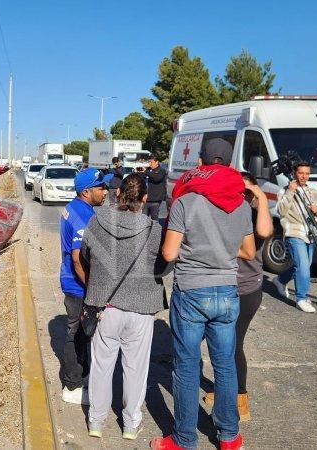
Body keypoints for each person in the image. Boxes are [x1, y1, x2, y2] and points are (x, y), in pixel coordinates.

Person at [150, 138, 256, 450]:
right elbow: (249, 250)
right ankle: (229, 436)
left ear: (201, 163)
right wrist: (221, 250)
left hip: (192, 292)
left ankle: (184, 439)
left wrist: (193, 248)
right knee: (225, 365)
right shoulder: (241, 204)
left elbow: (169, 253)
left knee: (186, 366)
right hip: (227, 291)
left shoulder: (185, 202)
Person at [79, 173, 166, 440]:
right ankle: (131, 424)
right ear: (145, 198)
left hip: (105, 305)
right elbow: (164, 266)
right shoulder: (154, 230)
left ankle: (96, 421)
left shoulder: (96, 221)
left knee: (101, 366)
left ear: (118, 194)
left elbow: (85, 256)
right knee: (135, 370)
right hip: (140, 308)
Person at [203, 172, 273, 422]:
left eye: (245, 191)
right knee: (220, 343)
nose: (240, 195)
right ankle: (225, 389)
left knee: (233, 344)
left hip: (246, 289)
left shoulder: (256, 215)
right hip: (223, 285)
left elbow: (265, 230)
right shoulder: (226, 212)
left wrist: (261, 197)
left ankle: (240, 398)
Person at [59, 168, 112, 404]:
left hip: (72, 282)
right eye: (101, 187)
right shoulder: (84, 217)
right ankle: (73, 386)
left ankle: (80, 377)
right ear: (86, 191)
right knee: (78, 334)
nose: (105, 191)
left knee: (80, 333)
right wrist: (93, 288)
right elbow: (78, 259)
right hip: (78, 286)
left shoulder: (75, 207)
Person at [272, 161, 317, 313]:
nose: (304, 176)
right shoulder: (284, 190)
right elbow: (281, 211)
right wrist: (290, 192)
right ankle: (301, 298)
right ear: (295, 173)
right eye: (301, 173)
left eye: (307, 173)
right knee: (303, 267)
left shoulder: (313, 192)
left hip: (310, 233)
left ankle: (280, 280)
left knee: (303, 266)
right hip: (293, 232)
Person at [143, 157, 167, 221]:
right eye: (149, 162)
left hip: (155, 199)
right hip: (146, 198)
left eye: (151, 162)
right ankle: (144, 230)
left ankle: (155, 230)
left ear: (157, 162)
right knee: (143, 218)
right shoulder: (148, 170)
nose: (150, 164)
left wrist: (146, 172)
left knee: (154, 218)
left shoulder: (161, 171)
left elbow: (156, 178)